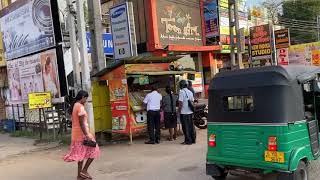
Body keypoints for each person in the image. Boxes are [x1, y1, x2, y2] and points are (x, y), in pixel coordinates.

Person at [64, 90, 100, 180]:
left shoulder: (75, 105)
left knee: (81, 155)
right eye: (86, 98)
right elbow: (82, 124)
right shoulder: (80, 107)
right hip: (82, 135)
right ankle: (84, 170)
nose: (86, 100)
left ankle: (79, 176)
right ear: (83, 97)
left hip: (76, 135)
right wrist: (87, 135)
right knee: (94, 151)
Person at [179, 80, 196, 145]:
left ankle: (188, 141)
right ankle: (193, 139)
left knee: (185, 127)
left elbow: (180, 103)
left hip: (184, 113)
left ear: (181, 85)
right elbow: (192, 101)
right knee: (191, 126)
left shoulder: (181, 92)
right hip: (190, 112)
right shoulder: (190, 92)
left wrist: (179, 111)